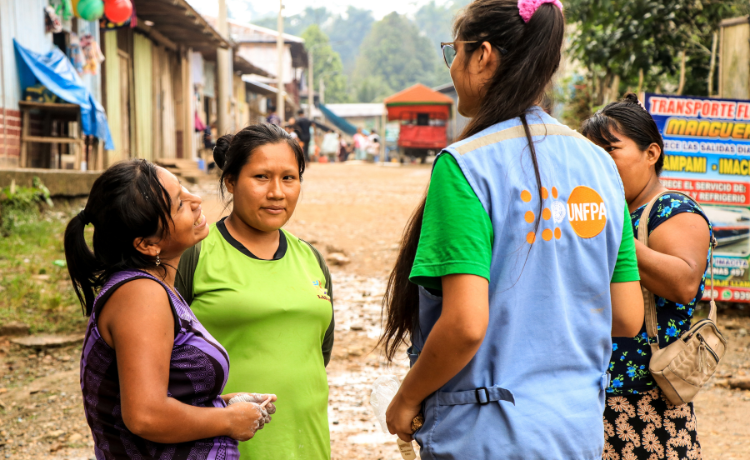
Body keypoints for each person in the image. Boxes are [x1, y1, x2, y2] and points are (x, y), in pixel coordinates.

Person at [380, 1, 645, 458]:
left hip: (485, 436)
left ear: (483, 56)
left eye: (455, 52)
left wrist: (405, 399)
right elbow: (626, 316)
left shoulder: (465, 166)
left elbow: (465, 324)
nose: (456, 65)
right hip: (575, 432)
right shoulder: (601, 166)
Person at [65, 160, 276, 459]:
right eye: (179, 204)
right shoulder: (140, 295)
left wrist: (226, 405)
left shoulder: (153, 287)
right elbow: (145, 415)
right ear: (148, 244)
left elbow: (167, 394)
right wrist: (228, 420)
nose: (196, 200)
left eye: (184, 189)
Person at [175, 123, 335, 460]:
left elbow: (317, 353)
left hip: (307, 444)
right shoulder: (196, 255)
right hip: (222, 449)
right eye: (261, 177)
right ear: (231, 181)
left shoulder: (311, 259)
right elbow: (162, 362)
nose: (277, 192)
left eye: (289, 178)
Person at [582, 94, 711, 460]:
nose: (600, 164)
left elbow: (684, 283)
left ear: (651, 153)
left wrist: (614, 234)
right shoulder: (610, 211)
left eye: (610, 150)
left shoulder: (673, 210)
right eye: (593, 154)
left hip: (647, 402)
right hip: (596, 393)